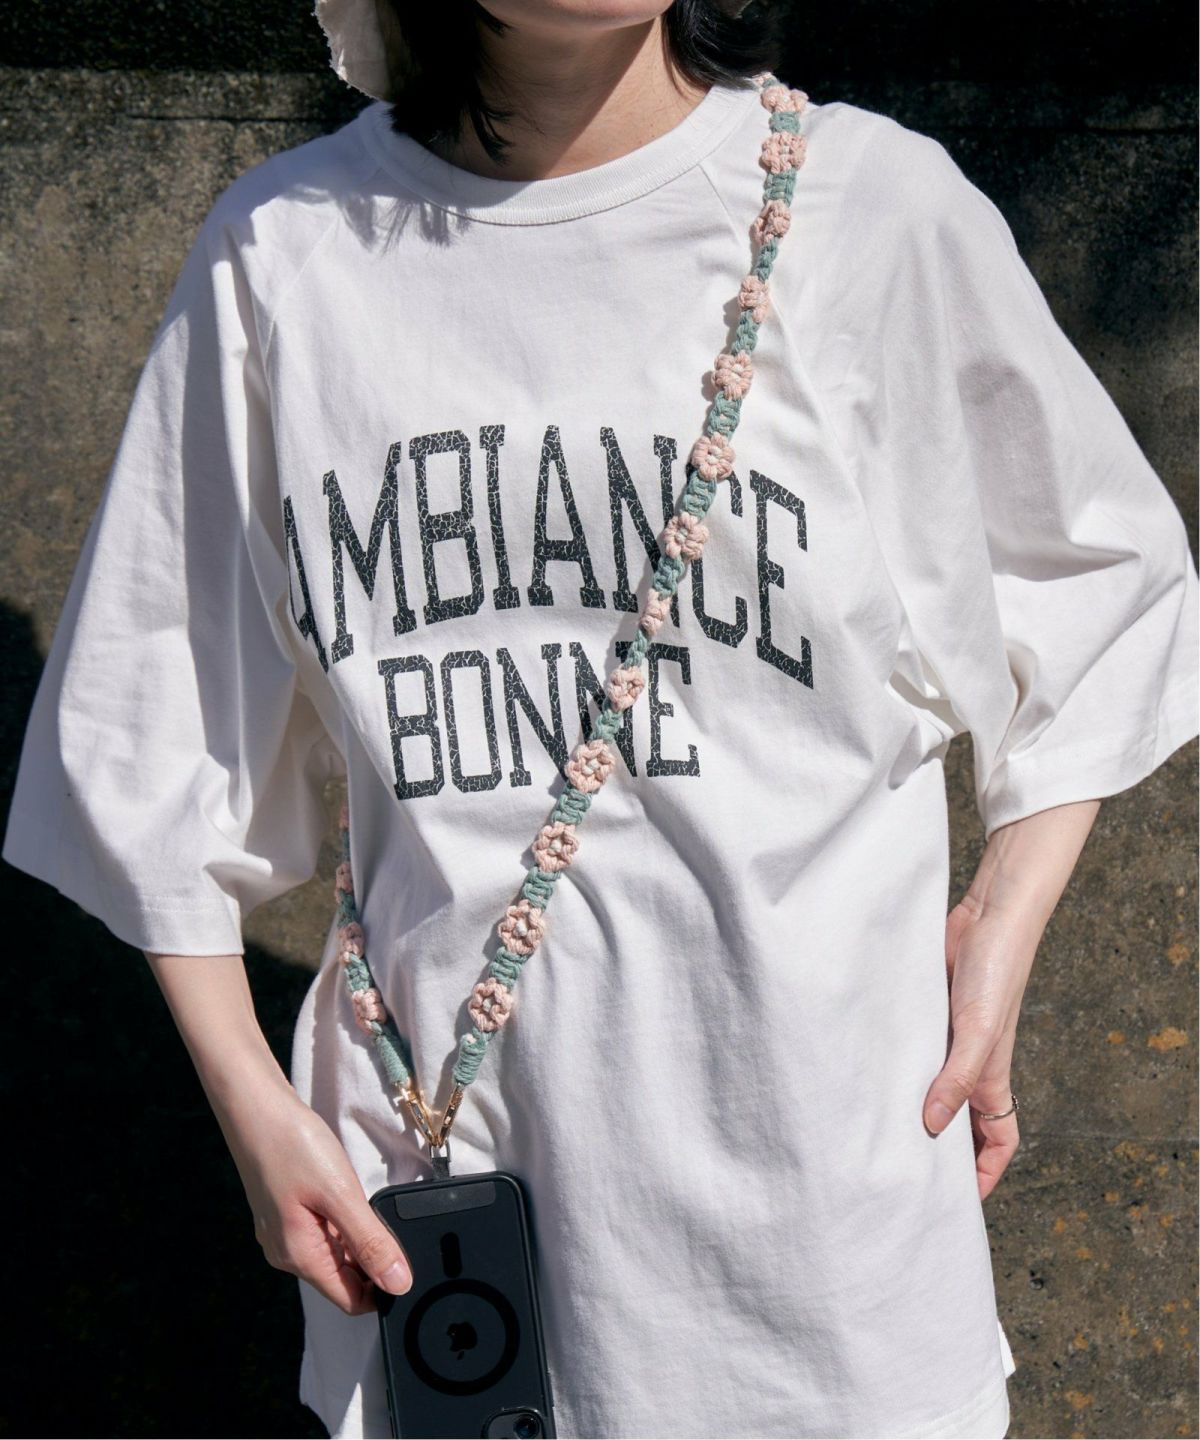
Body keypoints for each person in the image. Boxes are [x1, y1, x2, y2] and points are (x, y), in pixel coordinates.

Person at [4, 0, 1196, 1435]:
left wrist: (1001, 926)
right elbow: (151, 727)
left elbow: (1100, 581)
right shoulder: (285, 253)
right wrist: (255, 1110)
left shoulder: (871, 211)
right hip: (447, 1236)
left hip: (823, 1249)